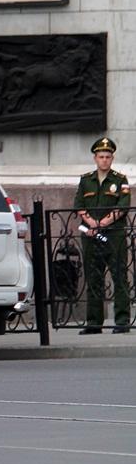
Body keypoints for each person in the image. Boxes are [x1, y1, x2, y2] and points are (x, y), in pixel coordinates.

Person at [74, 136, 131, 334]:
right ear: (95, 158)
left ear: (112, 158)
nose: (104, 160)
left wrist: (103, 223)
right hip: (91, 235)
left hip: (114, 235)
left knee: (119, 277)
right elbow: (79, 206)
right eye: (101, 157)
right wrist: (92, 224)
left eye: (107, 156)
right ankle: (94, 323)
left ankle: (122, 321)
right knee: (93, 278)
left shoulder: (120, 180)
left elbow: (123, 206)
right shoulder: (85, 180)